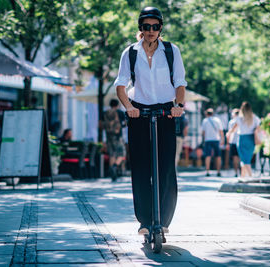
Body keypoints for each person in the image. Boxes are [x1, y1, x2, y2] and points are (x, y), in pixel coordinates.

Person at [115, 6, 187, 235]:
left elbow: (180, 83)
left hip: (166, 111)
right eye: (146, 27)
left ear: (160, 28)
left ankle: (163, 220)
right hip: (139, 112)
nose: (151, 31)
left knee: (165, 166)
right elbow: (121, 84)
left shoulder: (171, 51)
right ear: (141, 28)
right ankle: (145, 221)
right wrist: (128, 107)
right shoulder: (131, 52)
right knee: (141, 166)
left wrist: (179, 106)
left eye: (155, 27)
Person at [227, 101, 261, 177]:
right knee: (246, 159)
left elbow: (233, 129)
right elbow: (259, 129)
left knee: (245, 160)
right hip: (251, 140)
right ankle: (243, 177)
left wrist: (229, 133)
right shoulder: (255, 118)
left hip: (242, 139)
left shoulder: (239, 118)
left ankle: (250, 176)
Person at [103, 99, 127, 181]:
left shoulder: (105, 113)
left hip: (109, 136)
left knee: (112, 154)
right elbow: (125, 123)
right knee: (122, 153)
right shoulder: (120, 112)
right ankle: (115, 166)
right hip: (118, 136)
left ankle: (112, 171)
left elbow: (101, 124)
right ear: (117, 104)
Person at [201, 108, 224, 177]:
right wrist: (222, 139)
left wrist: (203, 140)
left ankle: (207, 171)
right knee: (218, 156)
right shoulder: (217, 120)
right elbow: (221, 131)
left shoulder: (205, 121)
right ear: (212, 113)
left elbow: (203, 132)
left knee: (208, 156)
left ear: (206, 114)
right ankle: (218, 171)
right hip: (216, 139)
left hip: (208, 140)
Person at [226, 108, 240, 177]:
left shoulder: (231, 122)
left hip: (233, 141)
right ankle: (242, 171)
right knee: (241, 157)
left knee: (235, 157)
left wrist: (228, 143)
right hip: (240, 140)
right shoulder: (242, 120)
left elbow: (229, 133)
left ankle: (236, 172)